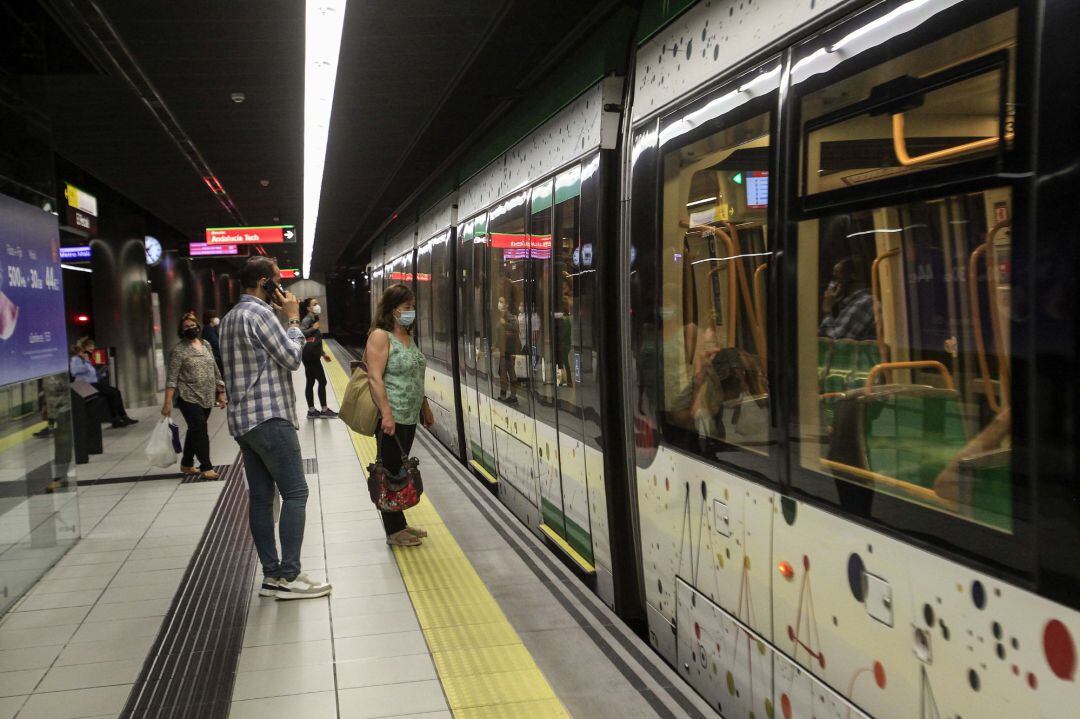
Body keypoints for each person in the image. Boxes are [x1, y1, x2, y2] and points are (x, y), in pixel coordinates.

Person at [219, 257, 331, 600]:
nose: (283, 288)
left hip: (244, 423)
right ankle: (290, 576)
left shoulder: (229, 319)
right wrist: (294, 319)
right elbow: (292, 358)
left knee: (262, 499)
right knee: (296, 493)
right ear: (266, 283)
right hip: (270, 418)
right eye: (278, 281)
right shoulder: (261, 315)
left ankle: (271, 576)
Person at [365, 283, 435, 547]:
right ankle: (393, 532)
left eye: (413, 307)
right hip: (391, 415)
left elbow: (415, 376)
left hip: (408, 415)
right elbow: (374, 378)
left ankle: (400, 524)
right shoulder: (380, 337)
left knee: (398, 472)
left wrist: (424, 408)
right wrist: (386, 414)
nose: (411, 311)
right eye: (406, 307)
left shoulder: (407, 336)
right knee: (389, 471)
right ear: (392, 309)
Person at [162, 312, 227, 479]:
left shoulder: (206, 344)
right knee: (200, 430)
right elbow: (171, 378)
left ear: (198, 326)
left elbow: (214, 369)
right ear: (181, 330)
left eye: (192, 325)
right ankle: (206, 467)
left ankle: (186, 463)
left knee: (195, 429)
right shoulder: (178, 350)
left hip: (206, 395)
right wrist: (167, 403)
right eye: (186, 327)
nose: (190, 329)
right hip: (187, 396)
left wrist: (220, 392)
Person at [69, 338, 137, 428]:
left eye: (92, 347)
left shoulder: (87, 360)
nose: (92, 349)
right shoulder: (76, 359)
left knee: (115, 392)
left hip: (92, 384)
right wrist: (85, 361)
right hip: (84, 385)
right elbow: (74, 371)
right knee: (113, 392)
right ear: (83, 348)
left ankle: (122, 416)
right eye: (89, 347)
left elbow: (91, 375)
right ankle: (116, 419)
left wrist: (100, 373)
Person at [818, 257, 875, 341]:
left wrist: (827, 310)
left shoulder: (864, 302)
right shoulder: (850, 303)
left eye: (837, 278)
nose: (832, 285)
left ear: (852, 277)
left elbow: (835, 343)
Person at [300, 298, 336, 419]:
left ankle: (312, 411)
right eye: (314, 304)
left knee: (310, 382)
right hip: (310, 357)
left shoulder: (313, 318)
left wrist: (323, 353)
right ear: (308, 308)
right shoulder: (307, 319)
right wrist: (314, 328)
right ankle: (324, 410)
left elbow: (313, 340)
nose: (317, 306)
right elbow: (301, 333)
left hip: (311, 355)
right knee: (322, 381)